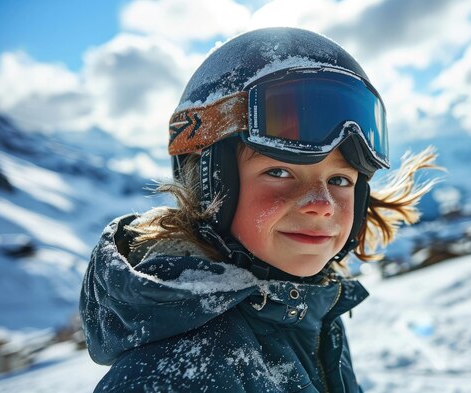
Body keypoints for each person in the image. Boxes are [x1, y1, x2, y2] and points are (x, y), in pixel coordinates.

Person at [80, 27, 437, 392]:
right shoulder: (176, 376)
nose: (322, 205)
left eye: (340, 181)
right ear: (210, 187)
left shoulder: (301, 311)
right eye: (279, 172)